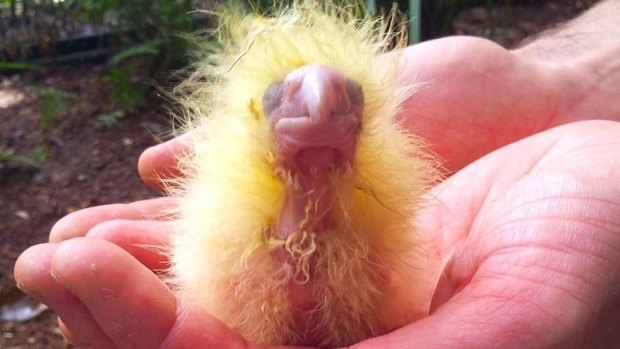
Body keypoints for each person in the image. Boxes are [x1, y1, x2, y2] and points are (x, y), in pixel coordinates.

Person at [14, 0, 620, 348]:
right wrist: (569, 85)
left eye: (345, 106)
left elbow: (384, 276)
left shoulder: (375, 203)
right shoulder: (231, 215)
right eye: (285, 104)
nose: (321, 112)